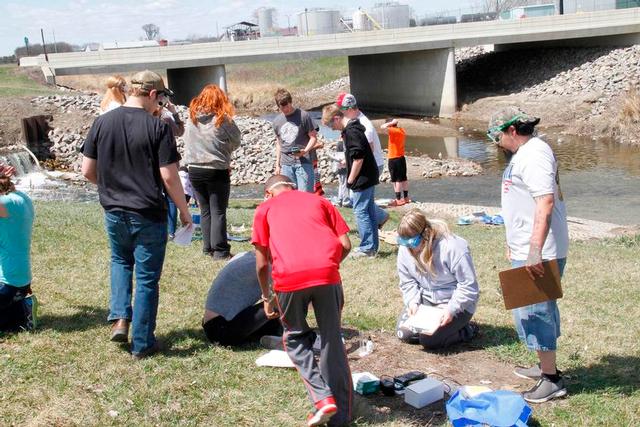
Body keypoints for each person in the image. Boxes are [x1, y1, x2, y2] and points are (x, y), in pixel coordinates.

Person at [81, 70, 192, 359]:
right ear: (153, 94)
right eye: (162, 98)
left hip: (113, 210)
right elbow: (169, 177)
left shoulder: (102, 122)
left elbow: (87, 171)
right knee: (146, 279)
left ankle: (120, 318)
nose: (162, 104)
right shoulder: (158, 128)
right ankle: (142, 344)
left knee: (120, 260)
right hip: (147, 212)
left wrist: (111, 186)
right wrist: (184, 210)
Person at [252, 175, 353, 427]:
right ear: (293, 187)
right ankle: (340, 416)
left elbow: (262, 264)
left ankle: (321, 397)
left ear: (268, 192)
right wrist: (327, 267)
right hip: (328, 274)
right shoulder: (320, 201)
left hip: (288, 279)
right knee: (332, 337)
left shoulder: (264, 209)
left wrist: (267, 296)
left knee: (295, 338)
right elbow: (346, 243)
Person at [488, 106, 569, 403]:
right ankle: (544, 366)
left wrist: (535, 249)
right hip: (526, 247)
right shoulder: (526, 153)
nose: (497, 143)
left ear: (512, 131)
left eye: (498, 136)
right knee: (529, 308)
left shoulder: (534, 153)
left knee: (537, 312)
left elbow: (545, 202)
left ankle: (552, 380)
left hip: (540, 251)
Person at [395, 209, 479, 350]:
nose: (409, 248)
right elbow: (407, 281)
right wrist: (412, 302)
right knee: (404, 333)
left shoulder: (453, 247)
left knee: (429, 341)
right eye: (404, 243)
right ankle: (443, 331)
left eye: (413, 242)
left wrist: (451, 309)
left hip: (455, 304)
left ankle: (467, 330)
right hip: (426, 301)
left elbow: (468, 286)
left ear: (425, 233)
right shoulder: (405, 248)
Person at [183, 84, 241, 260]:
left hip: (194, 169)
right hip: (216, 169)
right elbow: (236, 140)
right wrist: (225, 150)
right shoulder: (223, 119)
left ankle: (207, 248)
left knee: (205, 209)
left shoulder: (191, 118)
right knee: (218, 210)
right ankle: (221, 251)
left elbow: (187, 140)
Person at [322, 104, 379, 258]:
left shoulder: (351, 132)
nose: (332, 129)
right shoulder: (355, 127)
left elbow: (359, 158)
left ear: (337, 118)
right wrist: (347, 162)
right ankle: (372, 246)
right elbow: (356, 155)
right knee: (368, 210)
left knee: (360, 211)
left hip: (363, 176)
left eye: (330, 125)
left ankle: (367, 248)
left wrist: (351, 179)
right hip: (369, 174)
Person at [202, 251, 282, 346]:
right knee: (286, 298)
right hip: (222, 329)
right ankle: (292, 334)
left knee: (274, 321)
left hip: (211, 326)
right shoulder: (265, 266)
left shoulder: (244, 256)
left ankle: (278, 331)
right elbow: (288, 292)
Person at [336, 93, 389, 228]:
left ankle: (380, 218)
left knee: (357, 200)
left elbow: (365, 152)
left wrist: (351, 167)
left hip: (371, 165)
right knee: (363, 199)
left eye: (341, 111)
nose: (341, 114)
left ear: (349, 109)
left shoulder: (365, 125)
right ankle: (379, 220)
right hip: (365, 164)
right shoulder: (355, 121)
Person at [0, 170, 37, 333]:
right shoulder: (23, 198)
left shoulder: (6, 205)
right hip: (21, 282)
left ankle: (21, 310)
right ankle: (20, 309)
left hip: (7, 284)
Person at [272, 88, 321, 193]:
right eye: (282, 107)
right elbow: (279, 144)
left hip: (304, 162)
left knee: (305, 196)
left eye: (287, 105)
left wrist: (305, 151)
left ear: (291, 102)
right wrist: (277, 165)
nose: (286, 109)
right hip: (286, 164)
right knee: (289, 196)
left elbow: (313, 137)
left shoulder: (304, 116)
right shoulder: (276, 122)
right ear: (278, 106)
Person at [381, 119, 410, 206]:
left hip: (394, 158)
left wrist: (390, 123)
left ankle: (398, 199)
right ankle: (406, 198)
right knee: (403, 178)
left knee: (396, 180)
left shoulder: (392, 130)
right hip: (401, 157)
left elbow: (382, 127)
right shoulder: (401, 130)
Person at [328, 139, 351, 208]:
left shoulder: (340, 143)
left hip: (340, 166)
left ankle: (340, 200)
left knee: (342, 184)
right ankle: (345, 201)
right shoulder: (344, 144)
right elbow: (345, 155)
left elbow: (337, 156)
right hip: (344, 166)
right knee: (345, 184)